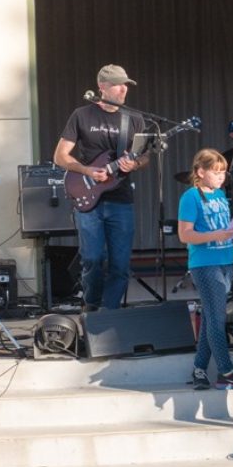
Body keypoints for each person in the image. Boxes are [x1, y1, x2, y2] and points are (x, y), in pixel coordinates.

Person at [54, 64, 148, 312]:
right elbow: (60, 156)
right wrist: (86, 171)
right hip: (89, 197)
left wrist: (134, 163)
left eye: (126, 84)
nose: (124, 89)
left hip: (121, 198)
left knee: (120, 263)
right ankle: (92, 305)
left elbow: (144, 156)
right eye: (118, 84)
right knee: (93, 258)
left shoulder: (134, 118)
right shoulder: (82, 115)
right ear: (102, 87)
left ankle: (110, 314)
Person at [178, 149, 233, 391]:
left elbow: (225, 227)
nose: (221, 177)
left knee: (213, 317)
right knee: (217, 318)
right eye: (216, 172)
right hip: (205, 263)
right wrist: (217, 234)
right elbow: (185, 234)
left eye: (223, 172)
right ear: (201, 172)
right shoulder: (190, 196)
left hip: (225, 262)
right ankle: (227, 371)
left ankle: (199, 368)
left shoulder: (221, 195)